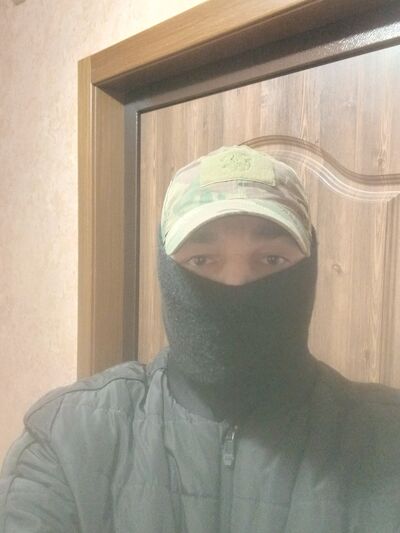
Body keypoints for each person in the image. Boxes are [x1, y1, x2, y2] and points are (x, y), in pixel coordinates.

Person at [1, 145, 399, 532]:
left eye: (271, 259)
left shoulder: (385, 438)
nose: (236, 284)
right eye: (202, 260)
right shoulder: (67, 438)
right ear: (166, 271)